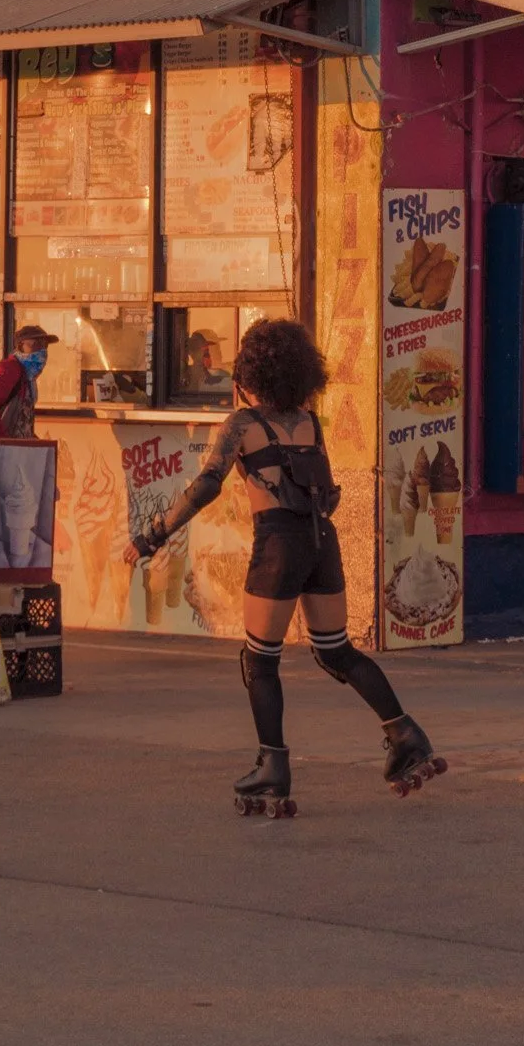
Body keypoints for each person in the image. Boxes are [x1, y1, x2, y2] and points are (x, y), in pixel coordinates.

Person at [150, 315, 445, 817]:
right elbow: (324, 489)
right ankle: (403, 733)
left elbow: (206, 486)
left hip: (280, 546)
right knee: (336, 653)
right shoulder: (310, 422)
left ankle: (273, 767)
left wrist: (152, 534)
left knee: (259, 661)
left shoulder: (243, 424)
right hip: (320, 541)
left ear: (250, 374)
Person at [0, 323, 57, 441]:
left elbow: (21, 423)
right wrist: (3, 441)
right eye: (36, 344)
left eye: (44, 345)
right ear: (20, 346)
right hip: (4, 453)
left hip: (17, 451)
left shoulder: (28, 377)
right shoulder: (10, 369)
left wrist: (35, 442)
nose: (42, 351)